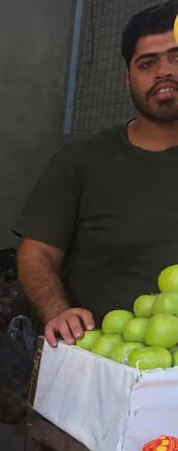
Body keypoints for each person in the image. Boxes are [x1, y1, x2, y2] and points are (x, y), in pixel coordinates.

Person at [16, 0, 178, 348]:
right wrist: (58, 311)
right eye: (147, 63)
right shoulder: (82, 160)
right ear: (128, 79)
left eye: (176, 57)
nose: (164, 71)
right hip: (103, 361)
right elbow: (36, 253)